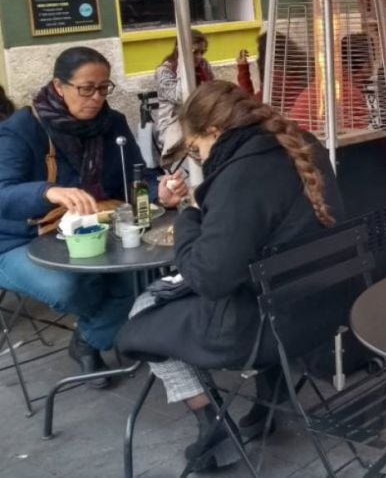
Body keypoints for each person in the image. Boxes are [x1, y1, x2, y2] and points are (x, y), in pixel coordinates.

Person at [116, 81, 343, 471]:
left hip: (261, 328)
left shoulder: (242, 174)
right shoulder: (300, 144)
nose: (198, 158)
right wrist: (207, 202)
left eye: (195, 149)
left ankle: (213, 423)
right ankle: (272, 391)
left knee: (143, 309)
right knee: (216, 289)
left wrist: (188, 211)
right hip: (320, 309)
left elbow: (209, 279)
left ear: (215, 132)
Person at [0, 47, 187, 385]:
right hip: (20, 239)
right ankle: (108, 329)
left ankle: (88, 339)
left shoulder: (111, 123)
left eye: (104, 88)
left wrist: (159, 189)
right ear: (59, 86)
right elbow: (3, 193)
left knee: (141, 272)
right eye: (86, 88)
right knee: (69, 285)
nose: (97, 97)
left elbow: (136, 176)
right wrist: (47, 191)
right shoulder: (22, 129)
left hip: (94, 230)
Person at [154, 30, 214, 158]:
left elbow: (213, 90)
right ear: (180, 51)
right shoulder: (164, 71)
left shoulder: (203, 65)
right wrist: (184, 65)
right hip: (174, 128)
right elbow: (181, 97)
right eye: (195, 52)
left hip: (201, 122)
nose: (199, 56)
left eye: (202, 52)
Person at [237, 32, 311, 113]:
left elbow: (250, 104)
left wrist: (243, 68)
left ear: (264, 58)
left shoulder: (274, 82)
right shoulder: (307, 67)